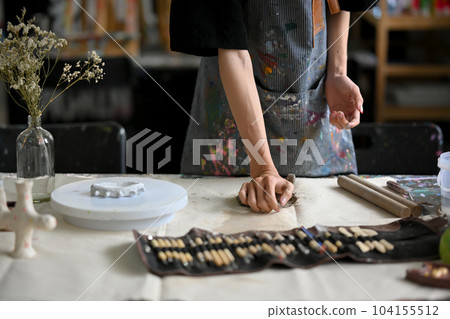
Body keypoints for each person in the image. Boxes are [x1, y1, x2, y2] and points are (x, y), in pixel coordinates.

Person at [170, 0, 364, 213]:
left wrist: (337, 73)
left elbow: (339, 3)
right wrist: (262, 166)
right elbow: (232, 49)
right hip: (228, 131)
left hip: (314, 108)